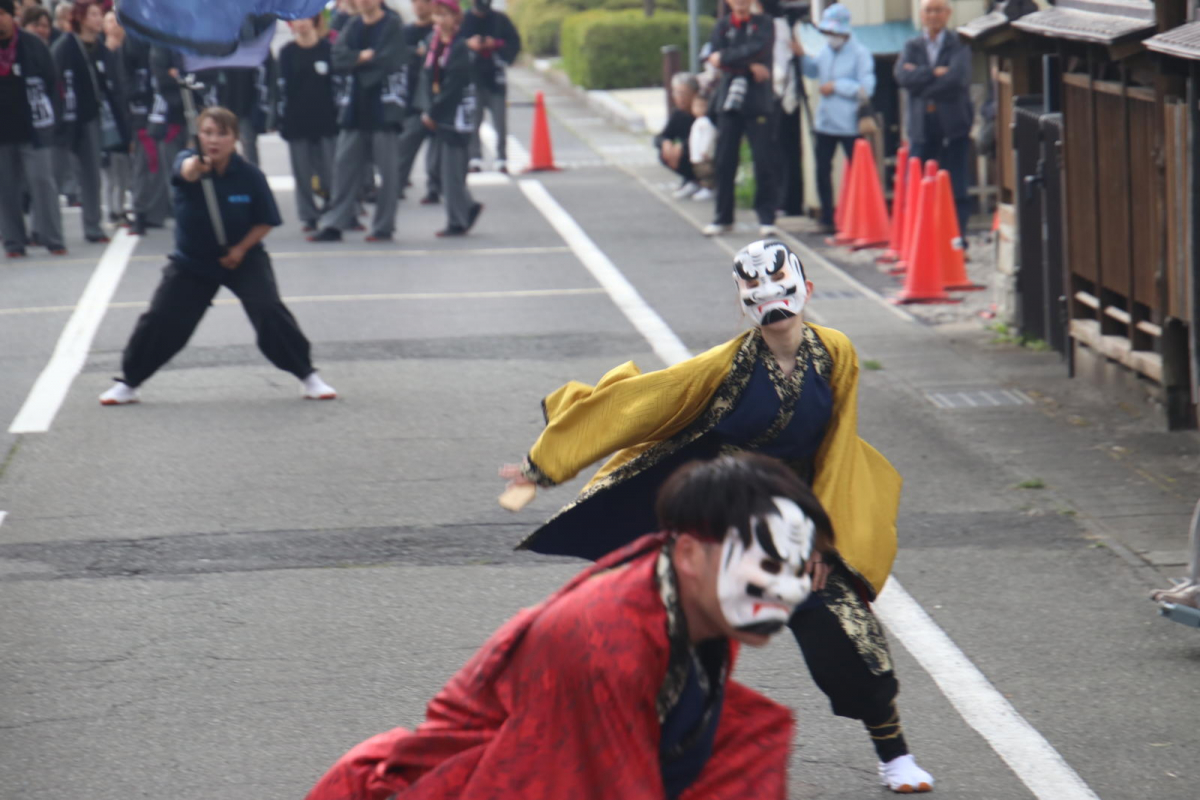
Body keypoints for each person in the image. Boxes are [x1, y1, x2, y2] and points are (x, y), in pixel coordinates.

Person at [500, 239, 936, 794]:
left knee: (843, 627)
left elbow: (838, 447)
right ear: (741, 301)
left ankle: (893, 754)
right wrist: (542, 467)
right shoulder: (727, 366)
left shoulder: (836, 353)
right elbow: (636, 406)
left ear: (807, 289)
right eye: (752, 287)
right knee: (684, 636)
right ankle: (651, 755)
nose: (768, 296)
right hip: (727, 517)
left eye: (779, 283)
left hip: (802, 515)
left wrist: (824, 539)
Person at [308, 453, 819, 800]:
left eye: (799, 570)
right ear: (688, 553)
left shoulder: (694, 599)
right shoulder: (603, 643)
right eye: (769, 567)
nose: (789, 590)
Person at [98, 106, 337, 406]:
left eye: (222, 134)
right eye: (207, 133)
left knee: (269, 311)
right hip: (193, 262)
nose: (214, 140)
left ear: (235, 138)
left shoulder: (250, 175)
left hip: (243, 257)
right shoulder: (188, 163)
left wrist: (240, 249)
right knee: (161, 319)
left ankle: (307, 375)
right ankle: (129, 382)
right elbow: (185, 172)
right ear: (198, 135)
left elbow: (265, 221)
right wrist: (198, 168)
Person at [308, 0, 408, 243]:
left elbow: (389, 60)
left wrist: (356, 64)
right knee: (343, 167)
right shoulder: (352, 25)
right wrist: (360, 57)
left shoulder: (392, 24)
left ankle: (383, 226)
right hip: (354, 109)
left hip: (384, 110)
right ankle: (335, 223)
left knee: (388, 173)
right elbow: (338, 58)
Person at [895, 0, 973, 239]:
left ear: (948, 13)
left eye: (938, 10)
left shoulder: (959, 43)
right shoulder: (912, 45)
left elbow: (957, 79)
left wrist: (920, 84)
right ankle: (920, 239)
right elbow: (901, 76)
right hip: (921, 126)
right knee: (917, 183)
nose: (933, 15)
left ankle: (957, 240)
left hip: (953, 125)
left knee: (955, 185)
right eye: (928, 10)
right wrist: (932, 73)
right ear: (921, 14)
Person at [797, 3, 874, 233]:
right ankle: (827, 218)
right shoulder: (824, 51)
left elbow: (866, 88)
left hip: (850, 123)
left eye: (834, 33)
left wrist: (838, 86)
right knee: (822, 170)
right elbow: (812, 71)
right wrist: (801, 56)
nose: (830, 37)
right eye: (827, 32)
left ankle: (862, 218)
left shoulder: (860, 53)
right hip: (826, 122)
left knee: (858, 172)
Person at [703, 0, 777, 238]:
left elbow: (760, 49)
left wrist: (728, 58)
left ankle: (767, 217)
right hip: (729, 101)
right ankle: (723, 217)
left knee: (764, 160)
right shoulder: (722, 26)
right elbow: (715, 58)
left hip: (757, 101)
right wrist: (748, 66)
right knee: (725, 160)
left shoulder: (764, 23)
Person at [51, 0, 121, 243]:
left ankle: (93, 226)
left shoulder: (100, 47)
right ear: (79, 18)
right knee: (56, 174)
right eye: (93, 14)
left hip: (92, 117)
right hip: (67, 120)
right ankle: (46, 230)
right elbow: (54, 83)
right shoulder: (65, 46)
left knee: (92, 175)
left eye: (100, 14)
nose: (99, 19)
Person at [0, 0, 65, 257]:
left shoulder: (32, 44)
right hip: (2, 133)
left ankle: (52, 238)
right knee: (6, 188)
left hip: (34, 128)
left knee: (41, 181)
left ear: (11, 15)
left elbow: (53, 83)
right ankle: (14, 241)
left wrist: (54, 121)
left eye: (2, 13)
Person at [419, 0, 481, 237]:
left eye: (445, 15)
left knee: (451, 171)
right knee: (440, 168)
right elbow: (427, 77)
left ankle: (457, 220)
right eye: (437, 15)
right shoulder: (433, 44)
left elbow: (454, 85)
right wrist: (428, 108)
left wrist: (433, 113)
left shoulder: (460, 48)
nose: (441, 20)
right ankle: (467, 207)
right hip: (438, 110)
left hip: (455, 114)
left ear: (456, 18)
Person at [277, 14, 338, 231]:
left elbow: (336, 85)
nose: (301, 23)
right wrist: (279, 119)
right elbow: (281, 89)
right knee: (302, 172)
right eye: (296, 20)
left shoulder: (328, 49)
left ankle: (333, 208)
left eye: (305, 18)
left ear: (315, 21)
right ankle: (308, 214)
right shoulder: (287, 53)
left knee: (330, 171)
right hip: (297, 121)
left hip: (326, 119)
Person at [461, 0, 519, 173]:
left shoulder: (500, 20)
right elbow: (454, 44)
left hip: (496, 78)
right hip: (472, 77)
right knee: (473, 121)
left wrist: (496, 44)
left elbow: (514, 43)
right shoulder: (464, 20)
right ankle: (474, 157)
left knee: (500, 122)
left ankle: (501, 157)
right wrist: (469, 44)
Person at [394, 0, 439, 204]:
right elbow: (396, 55)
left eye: (425, 2)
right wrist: (414, 53)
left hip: (437, 99)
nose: (420, 6)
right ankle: (395, 186)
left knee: (437, 150)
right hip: (411, 99)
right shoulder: (406, 32)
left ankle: (435, 188)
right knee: (404, 146)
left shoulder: (439, 32)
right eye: (416, 2)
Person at [100, 8, 131, 225]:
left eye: (117, 21)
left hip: (124, 115)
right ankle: (112, 209)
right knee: (110, 170)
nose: (114, 25)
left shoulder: (128, 53)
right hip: (108, 117)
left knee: (123, 169)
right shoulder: (102, 54)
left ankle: (120, 207)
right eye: (110, 21)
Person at [655, 72, 699, 198]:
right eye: (676, 92)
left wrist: (682, 147)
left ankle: (701, 181)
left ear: (694, 93)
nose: (679, 97)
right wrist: (666, 143)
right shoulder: (678, 114)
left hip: (703, 153)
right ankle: (690, 179)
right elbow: (662, 136)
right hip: (685, 153)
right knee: (664, 153)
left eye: (683, 93)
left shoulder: (703, 112)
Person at [686, 92, 716, 202]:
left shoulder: (706, 122)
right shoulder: (698, 122)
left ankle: (709, 189)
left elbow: (708, 137)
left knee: (706, 173)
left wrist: (705, 150)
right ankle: (704, 187)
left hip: (703, 154)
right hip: (696, 153)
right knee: (699, 171)